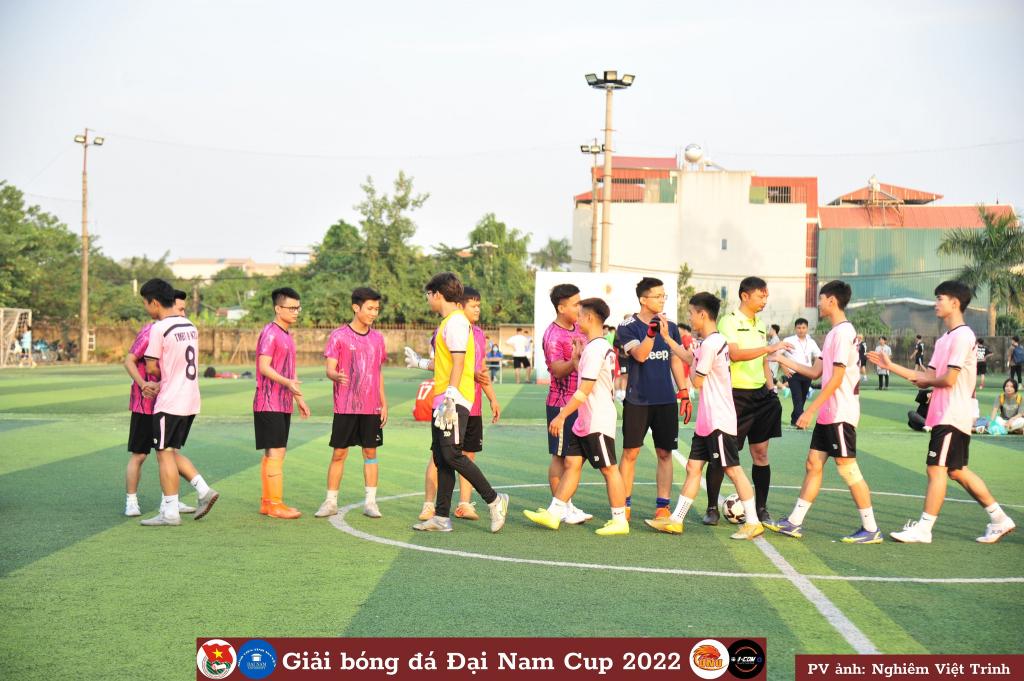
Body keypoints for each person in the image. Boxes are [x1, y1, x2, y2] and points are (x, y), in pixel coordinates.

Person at [869, 280, 1016, 544]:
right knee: (957, 471)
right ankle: (999, 519)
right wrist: (890, 366)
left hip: (953, 414)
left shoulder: (962, 336)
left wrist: (926, 380)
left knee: (935, 468)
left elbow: (948, 380)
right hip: (944, 414)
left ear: (955, 303)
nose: (935, 303)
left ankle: (924, 529)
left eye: (940, 298)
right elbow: (925, 378)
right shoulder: (945, 339)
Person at [765, 281, 881, 543]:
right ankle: (794, 522)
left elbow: (837, 379)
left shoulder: (843, 333)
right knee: (813, 464)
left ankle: (871, 528)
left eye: (820, 299)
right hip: (830, 412)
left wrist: (809, 411)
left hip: (840, 412)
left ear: (831, 300)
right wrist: (782, 359)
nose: (818, 304)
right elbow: (816, 372)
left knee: (847, 468)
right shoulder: (832, 334)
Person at [646, 292, 764, 540]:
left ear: (702, 314)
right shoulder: (710, 342)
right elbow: (691, 357)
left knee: (733, 469)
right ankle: (676, 520)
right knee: (693, 467)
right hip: (707, 421)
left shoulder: (711, 344)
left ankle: (753, 522)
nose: (689, 317)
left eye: (691, 313)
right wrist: (667, 338)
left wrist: (691, 366)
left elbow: (697, 381)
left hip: (719, 420)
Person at [413, 272, 508, 533]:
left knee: (452, 454)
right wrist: (419, 362)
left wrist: (451, 397)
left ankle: (495, 500)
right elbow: (444, 364)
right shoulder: (448, 322)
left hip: (453, 400)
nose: (428, 299)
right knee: (441, 457)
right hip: (444, 399)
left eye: (428, 294)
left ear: (437, 294)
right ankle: (442, 517)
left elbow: (458, 363)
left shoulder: (455, 322)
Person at [526, 297, 630, 536]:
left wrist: (562, 415)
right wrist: (576, 359)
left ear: (590, 318)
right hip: (585, 420)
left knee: (609, 469)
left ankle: (619, 520)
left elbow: (585, 389)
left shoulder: (596, 348)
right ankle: (554, 513)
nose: (577, 318)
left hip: (597, 420)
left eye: (580, 315)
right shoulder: (593, 347)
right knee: (571, 464)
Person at [705, 277, 792, 524]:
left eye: (766, 296)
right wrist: (768, 349)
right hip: (735, 396)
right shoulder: (728, 321)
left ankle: (761, 508)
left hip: (761, 396)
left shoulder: (761, 325)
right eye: (761, 296)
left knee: (761, 453)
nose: (765, 300)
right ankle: (711, 508)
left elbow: (763, 361)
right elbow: (734, 355)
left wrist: (771, 389)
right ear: (745, 296)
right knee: (723, 454)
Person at [137, 278, 219, 526]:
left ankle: (170, 512)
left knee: (163, 454)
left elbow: (151, 366)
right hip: (190, 399)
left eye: (145, 303)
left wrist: (156, 382)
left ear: (154, 302)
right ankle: (203, 490)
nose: (146, 308)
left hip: (170, 401)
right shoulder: (189, 325)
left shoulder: (159, 328)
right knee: (170, 451)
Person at [615, 277, 689, 521]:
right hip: (638, 399)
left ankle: (662, 507)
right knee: (631, 453)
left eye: (663, 296)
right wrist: (651, 333)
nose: (662, 300)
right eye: (658, 296)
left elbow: (675, 359)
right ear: (643, 300)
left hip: (665, 400)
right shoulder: (627, 326)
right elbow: (640, 355)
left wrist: (683, 392)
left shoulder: (671, 327)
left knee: (665, 453)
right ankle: (623, 506)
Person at [315, 288, 388, 519]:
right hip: (345, 405)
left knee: (370, 452)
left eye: (376, 309)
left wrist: (383, 403)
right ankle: (330, 502)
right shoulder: (338, 336)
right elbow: (330, 368)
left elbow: (378, 372)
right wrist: (334, 375)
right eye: (370, 308)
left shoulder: (378, 339)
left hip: (371, 407)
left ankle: (371, 503)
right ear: (356, 308)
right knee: (339, 453)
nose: (374, 313)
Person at [122, 296, 195, 518]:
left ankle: (170, 502)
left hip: (167, 403)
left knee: (169, 454)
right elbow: (129, 360)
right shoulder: (151, 331)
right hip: (145, 404)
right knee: (139, 455)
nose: (182, 314)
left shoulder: (180, 331)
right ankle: (131, 501)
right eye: (179, 309)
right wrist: (143, 384)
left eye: (184, 309)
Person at [249, 287, 309, 519]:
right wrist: (287, 383)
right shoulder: (270, 333)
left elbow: (291, 372)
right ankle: (275, 504)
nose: (296, 312)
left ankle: (268, 503)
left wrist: (299, 398)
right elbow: (264, 367)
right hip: (268, 401)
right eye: (291, 308)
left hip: (282, 402)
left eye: (298, 308)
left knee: (275, 452)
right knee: (276, 452)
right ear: (278, 308)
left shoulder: (286, 334)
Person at [539, 283, 592, 525]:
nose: (579, 308)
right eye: (575, 304)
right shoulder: (553, 335)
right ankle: (561, 508)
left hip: (580, 401)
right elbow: (557, 370)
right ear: (561, 308)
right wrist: (574, 361)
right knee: (561, 457)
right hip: (561, 404)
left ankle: (565, 505)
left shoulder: (580, 329)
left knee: (574, 457)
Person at [782, 318, 821, 426]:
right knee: (797, 399)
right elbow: (777, 354)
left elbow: (819, 355)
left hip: (807, 374)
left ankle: (794, 420)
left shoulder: (811, 342)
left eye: (803, 328)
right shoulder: (788, 340)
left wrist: (815, 369)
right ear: (795, 328)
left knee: (802, 399)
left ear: (807, 328)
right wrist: (784, 367)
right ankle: (800, 422)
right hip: (793, 374)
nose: (801, 330)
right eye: (799, 328)